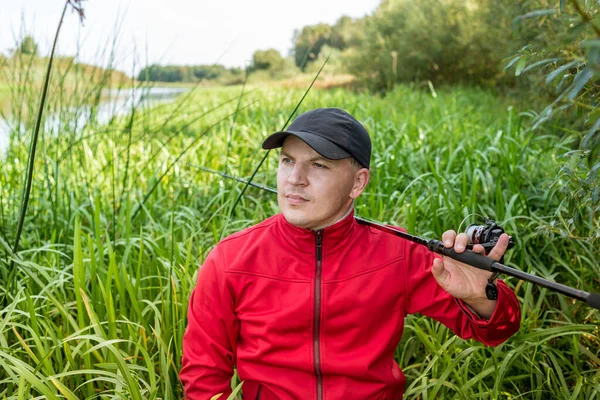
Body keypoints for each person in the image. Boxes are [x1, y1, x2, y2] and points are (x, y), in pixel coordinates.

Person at [180, 108, 521, 400]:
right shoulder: (231, 260)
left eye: (318, 165)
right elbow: (203, 377)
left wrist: (482, 297)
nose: (294, 180)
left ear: (358, 183)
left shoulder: (399, 253)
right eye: (287, 161)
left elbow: (496, 330)